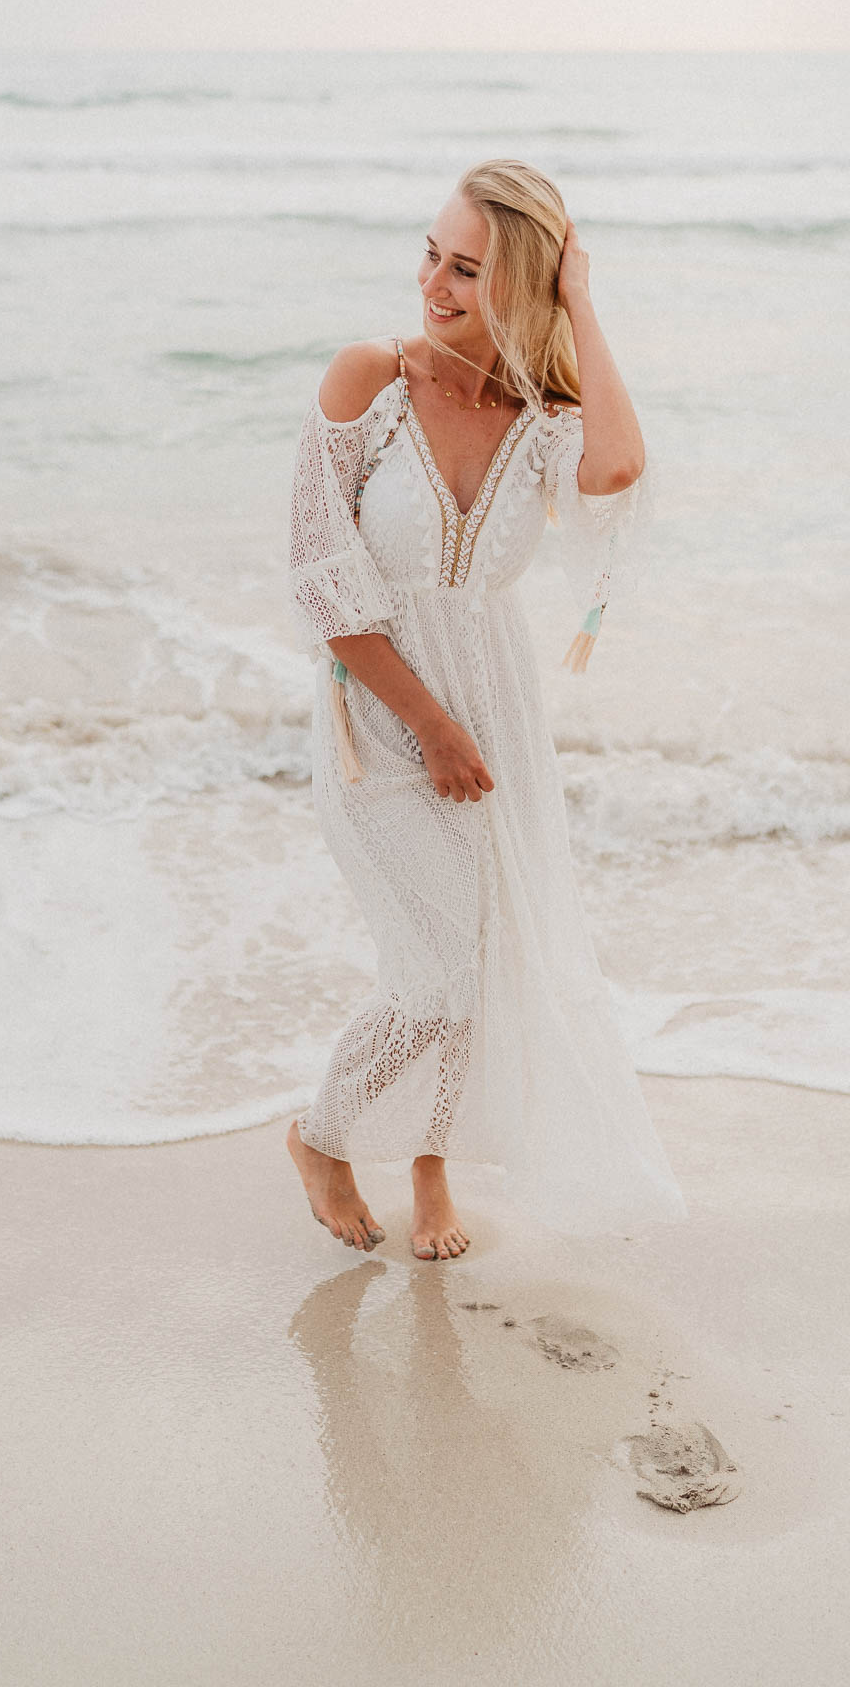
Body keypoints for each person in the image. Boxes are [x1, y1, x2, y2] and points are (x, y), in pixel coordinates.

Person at [285, 158, 687, 1260]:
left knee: (483, 957)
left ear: (520, 286)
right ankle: (321, 1135)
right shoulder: (366, 380)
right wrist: (431, 725)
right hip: (381, 719)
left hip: (494, 710)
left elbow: (618, 465)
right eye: (432, 254)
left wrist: (583, 305)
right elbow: (324, 580)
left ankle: (430, 1171)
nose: (436, 284)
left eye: (469, 269)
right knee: (443, 972)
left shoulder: (540, 420)